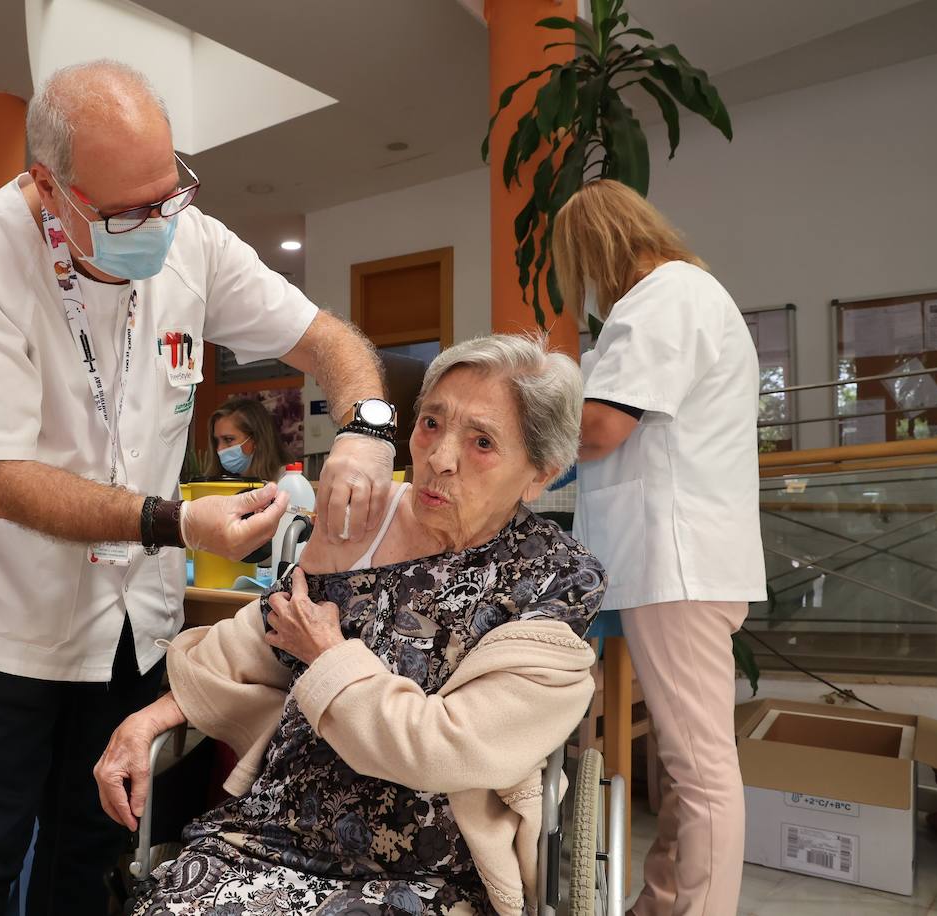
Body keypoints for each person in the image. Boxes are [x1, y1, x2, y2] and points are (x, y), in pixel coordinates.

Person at [0, 59, 397, 914]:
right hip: (7, 627)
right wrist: (177, 524)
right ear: (49, 187)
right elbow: (0, 480)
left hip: (134, 629)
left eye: (172, 193)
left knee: (94, 855)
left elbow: (329, 344)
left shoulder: (190, 243)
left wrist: (367, 429)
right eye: (129, 210)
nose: (159, 223)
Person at [97, 333, 607, 916]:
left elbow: (443, 745)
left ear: (540, 473)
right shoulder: (363, 517)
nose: (440, 458)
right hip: (270, 836)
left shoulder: (551, 584)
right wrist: (148, 719)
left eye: (483, 441)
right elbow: (263, 634)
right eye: (432, 424)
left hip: (423, 870)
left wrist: (328, 654)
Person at [554, 179, 766, 916]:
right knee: (689, 766)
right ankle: (665, 901)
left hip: (676, 562)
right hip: (690, 558)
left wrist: (528, 430)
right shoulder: (695, 294)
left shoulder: (663, 298)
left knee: (700, 769)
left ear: (597, 249)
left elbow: (604, 426)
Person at [203, 396, 294, 480]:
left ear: (256, 439)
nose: (219, 449)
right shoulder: (219, 483)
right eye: (216, 441)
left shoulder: (287, 480)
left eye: (228, 439)